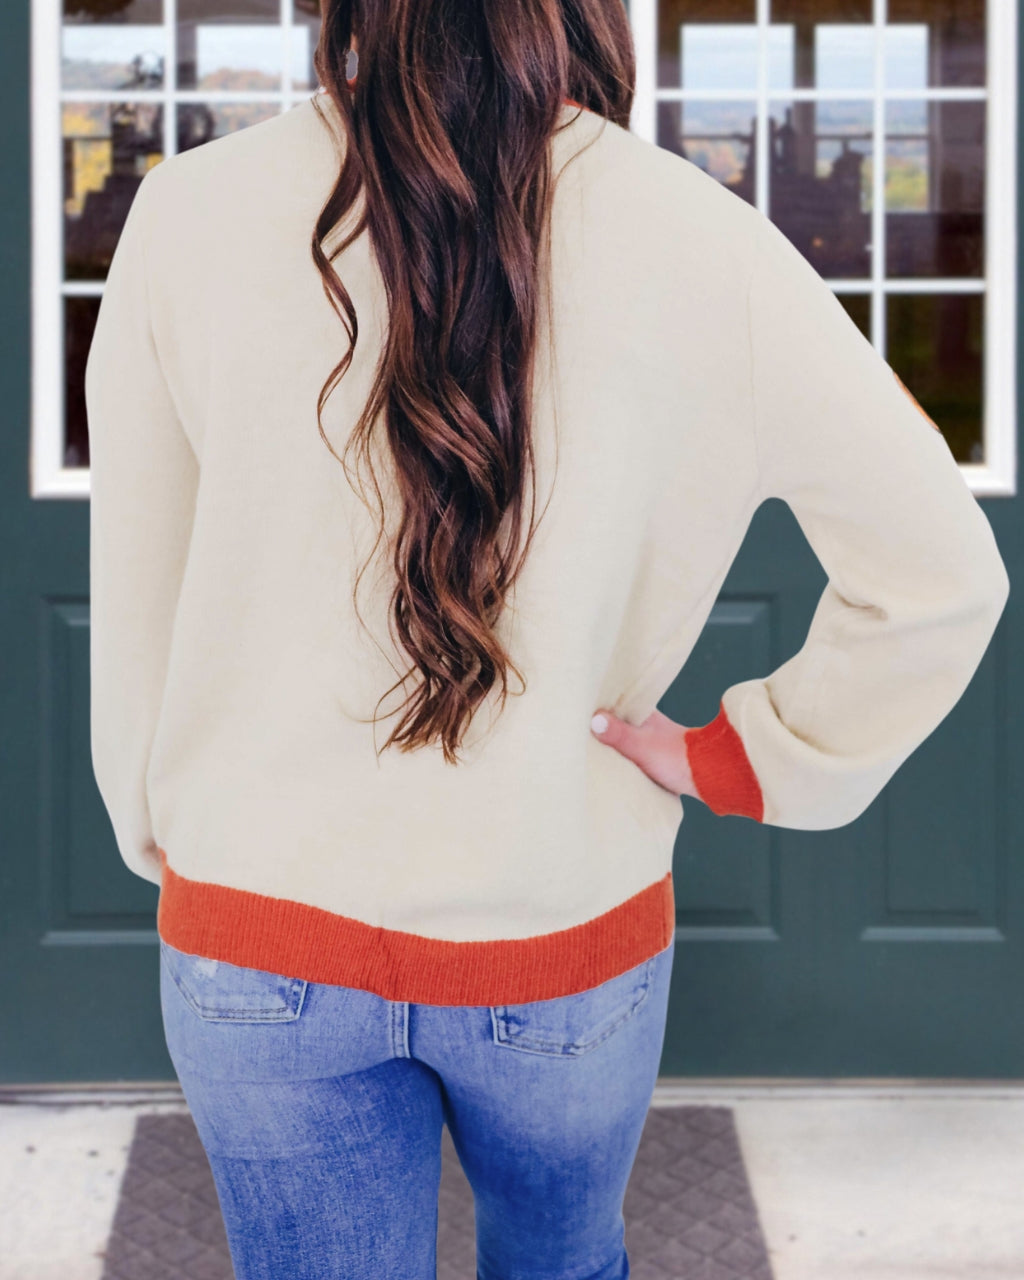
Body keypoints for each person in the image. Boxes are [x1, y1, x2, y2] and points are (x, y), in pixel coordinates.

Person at [84, 1, 1009, 1277]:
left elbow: (141, 574)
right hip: (564, 937)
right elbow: (942, 571)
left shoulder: (185, 213)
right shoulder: (704, 240)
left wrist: (164, 829)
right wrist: (748, 759)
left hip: (257, 934)